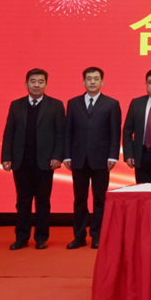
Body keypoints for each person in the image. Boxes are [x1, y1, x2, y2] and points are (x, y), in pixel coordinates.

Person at [1, 69, 65, 250]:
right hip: (21, 161)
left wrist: (57, 156)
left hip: (45, 162)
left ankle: (41, 238)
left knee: (43, 201)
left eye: (40, 81)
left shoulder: (56, 105)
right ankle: (21, 237)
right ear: (26, 84)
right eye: (33, 81)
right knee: (23, 201)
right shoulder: (16, 105)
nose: (36, 85)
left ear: (46, 84)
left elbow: (61, 134)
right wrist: (6, 157)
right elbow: (9, 132)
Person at [63, 67, 121, 249]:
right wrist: (67, 155)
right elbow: (68, 131)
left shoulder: (111, 104)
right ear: (83, 82)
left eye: (96, 78)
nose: (93, 82)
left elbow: (115, 132)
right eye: (89, 78)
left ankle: (97, 235)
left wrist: (113, 155)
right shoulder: (73, 103)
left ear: (102, 82)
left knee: (99, 199)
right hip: (78, 158)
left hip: (102, 159)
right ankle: (79, 236)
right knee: (79, 199)